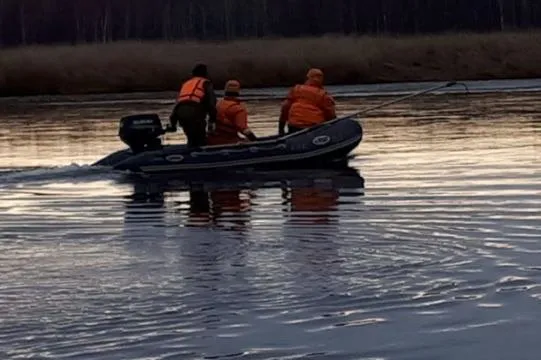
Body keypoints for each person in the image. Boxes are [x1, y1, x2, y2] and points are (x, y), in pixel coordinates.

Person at [166, 63, 217, 148]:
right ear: (205, 74)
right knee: (200, 139)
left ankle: (190, 152)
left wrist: (173, 123)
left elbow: (180, 102)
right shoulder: (206, 83)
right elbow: (211, 103)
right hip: (194, 112)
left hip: (179, 112)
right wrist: (212, 120)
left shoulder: (186, 83)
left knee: (191, 138)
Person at [278, 68, 336, 135]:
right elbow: (331, 115)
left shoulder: (297, 89)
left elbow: (285, 107)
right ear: (322, 79)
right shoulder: (323, 95)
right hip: (314, 127)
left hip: (294, 126)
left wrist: (281, 129)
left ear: (308, 78)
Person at [206, 79, 258, 146]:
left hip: (212, 140)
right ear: (238, 91)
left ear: (225, 90)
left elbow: (210, 124)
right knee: (246, 142)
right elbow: (243, 128)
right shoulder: (238, 109)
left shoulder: (218, 104)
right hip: (229, 141)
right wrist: (254, 140)